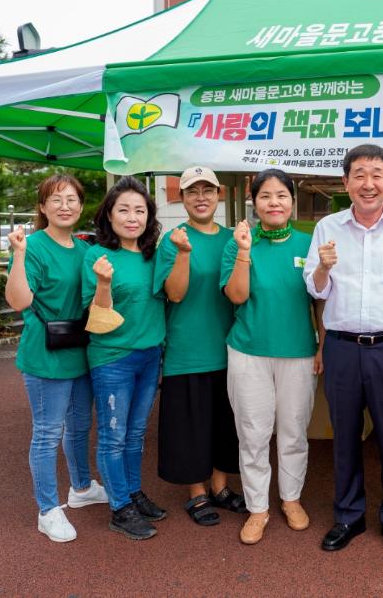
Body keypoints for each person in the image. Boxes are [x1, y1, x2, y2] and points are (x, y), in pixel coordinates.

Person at [303, 144, 383, 558]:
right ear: (345, 183)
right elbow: (315, 288)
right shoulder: (328, 228)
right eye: (359, 174)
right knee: (345, 437)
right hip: (342, 347)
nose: (368, 183)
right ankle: (348, 516)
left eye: (376, 174)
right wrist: (323, 266)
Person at [5, 174, 107, 542]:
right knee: (48, 433)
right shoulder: (31, 246)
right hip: (45, 356)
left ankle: (81, 488)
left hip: (80, 351)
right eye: (56, 199)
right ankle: (47, 510)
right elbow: (19, 301)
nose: (65, 206)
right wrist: (17, 254)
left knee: (80, 427)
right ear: (43, 206)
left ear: (81, 206)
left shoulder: (84, 249)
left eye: (72, 200)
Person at [222, 168, 318, 545]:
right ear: (254, 202)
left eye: (281, 195)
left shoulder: (308, 244)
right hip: (248, 352)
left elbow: (321, 301)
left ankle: (291, 499)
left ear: (292, 201)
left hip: (298, 352)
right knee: (253, 433)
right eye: (266, 196)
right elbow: (236, 296)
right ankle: (257, 507)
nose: (274, 202)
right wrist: (244, 252)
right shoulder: (239, 242)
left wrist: (323, 344)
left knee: (294, 431)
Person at [153, 166, 246, 528]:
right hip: (187, 350)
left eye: (208, 190)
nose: (201, 197)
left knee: (226, 424)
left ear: (219, 195)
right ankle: (198, 493)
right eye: (193, 191)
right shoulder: (173, 240)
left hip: (231, 348)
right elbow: (174, 293)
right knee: (191, 425)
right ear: (183, 198)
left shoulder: (233, 239)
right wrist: (183, 253)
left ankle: (221, 488)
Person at [82, 176, 166, 540]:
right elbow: (96, 317)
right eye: (124, 210)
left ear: (149, 217)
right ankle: (119, 507)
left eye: (140, 210)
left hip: (151, 355)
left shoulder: (154, 255)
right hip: (113, 358)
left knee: (136, 432)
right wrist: (103, 283)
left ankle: (132, 492)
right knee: (113, 437)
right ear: (109, 216)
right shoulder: (97, 256)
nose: (132, 217)